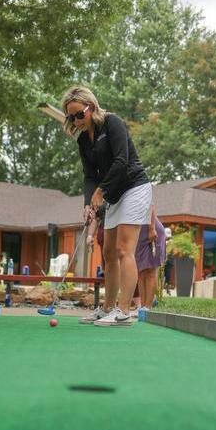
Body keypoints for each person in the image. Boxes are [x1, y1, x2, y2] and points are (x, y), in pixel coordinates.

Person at [62, 86, 152, 326]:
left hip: (134, 187)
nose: (76, 120)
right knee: (109, 252)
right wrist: (87, 203)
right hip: (113, 194)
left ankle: (123, 311)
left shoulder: (113, 123)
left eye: (79, 114)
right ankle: (107, 308)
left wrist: (100, 192)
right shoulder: (83, 140)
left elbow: (122, 161)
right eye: (71, 117)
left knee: (124, 249)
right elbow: (89, 176)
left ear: (91, 107)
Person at [131, 205, 166, 317]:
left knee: (150, 271)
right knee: (141, 272)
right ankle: (142, 308)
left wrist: (152, 228)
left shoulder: (139, 194)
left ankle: (148, 307)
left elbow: (150, 205)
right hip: (139, 235)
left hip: (152, 232)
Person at [163, 227, 174, 294]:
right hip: (162, 261)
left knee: (168, 275)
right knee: (161, 275)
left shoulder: (171, 242)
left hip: (169, 261)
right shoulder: (162, 240)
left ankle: (167, 287)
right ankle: (161, 287)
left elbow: (169, 250)